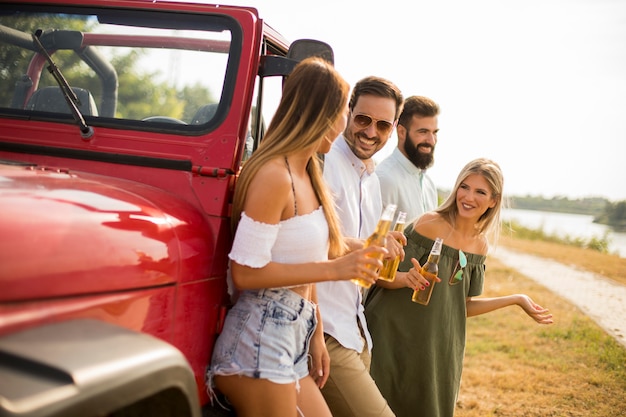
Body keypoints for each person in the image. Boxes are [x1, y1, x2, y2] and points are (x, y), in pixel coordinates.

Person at [206, 57, 389, 417]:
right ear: (318, 113)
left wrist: (316, 336)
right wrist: (335, 270)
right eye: (342, 112)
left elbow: (307, 255)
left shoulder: (307, 173)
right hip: (258, 339)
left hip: (293, 334)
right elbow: (244, 273)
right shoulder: (274, 176)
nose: (343, 125)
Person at [364, 158, 554, 417]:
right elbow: (377, 275)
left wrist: (516, 299)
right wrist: (404, 278)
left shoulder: (480, 246)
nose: (468, 197)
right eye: (464, 187)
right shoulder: (429, 225)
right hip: (392, 334)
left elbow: (461, 306)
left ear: (493, 201)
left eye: (480, 192)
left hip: (438, 346)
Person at [317, 75, 405, 417]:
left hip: (356, 329)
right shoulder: (323, 162)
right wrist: (369, 244)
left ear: (394, 127)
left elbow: (367, 255)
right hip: (324, 330)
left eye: (382, 125)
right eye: (363, 119)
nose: (371, 132)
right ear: (348, 111)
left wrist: (388, 251)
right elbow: (302, 241)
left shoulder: (372, 178)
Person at [376, 95, 440, 224]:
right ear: (401, 132)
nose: (431, 140)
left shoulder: (429, 185)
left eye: (434, 132)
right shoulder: (384, 178)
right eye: (423, 132)